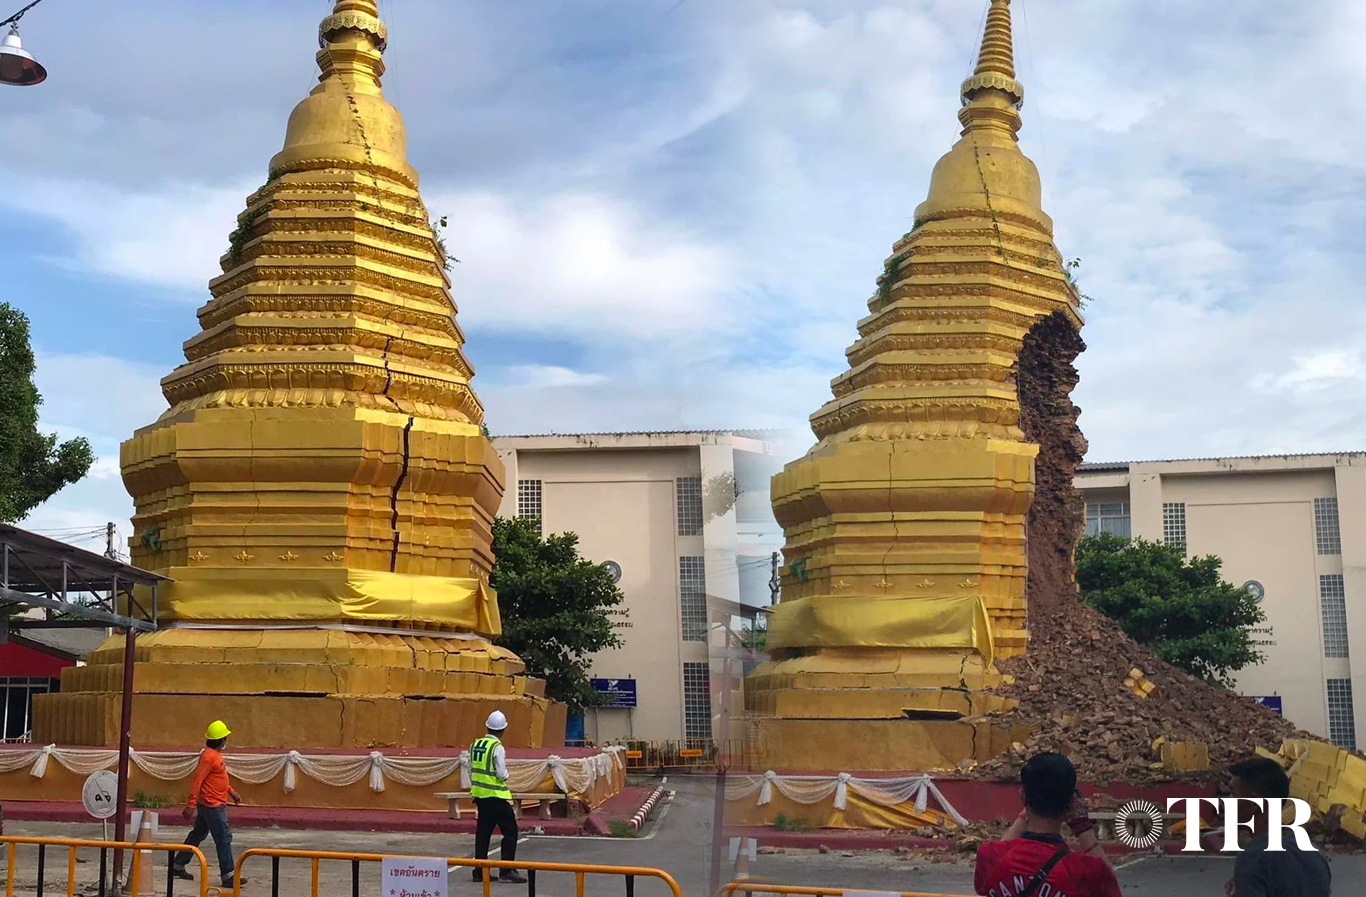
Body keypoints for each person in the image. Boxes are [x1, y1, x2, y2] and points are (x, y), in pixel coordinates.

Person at [975, 752, 1122, 897]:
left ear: (1022, 796)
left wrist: (1027, 808)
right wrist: (1082, 827)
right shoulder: (1086, 871)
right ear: (1071, 803)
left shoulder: (990, 856)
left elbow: (986, 880)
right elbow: (1111, 889)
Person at [1224, 757, 1331, 897]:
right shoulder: (1313, 852)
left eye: (1233, 794)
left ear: (1254, 804)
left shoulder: (1252, 858)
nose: (1225, 801)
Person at [172, 720, 246, 889]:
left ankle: (177, 865)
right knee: (224, 837)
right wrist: (190, 804)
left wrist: (231, 791)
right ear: (221, 741)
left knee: (197, 834)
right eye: (225, 738)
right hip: (212, 805)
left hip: (211, 804)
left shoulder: (213, 756)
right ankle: (228, 875)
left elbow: (216, 779)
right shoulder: (209, 757)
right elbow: (198, 781)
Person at [470, 710, 526, 884]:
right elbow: (501, 774)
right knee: (510, 831)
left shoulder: (476, 744)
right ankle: (507, 870)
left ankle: (479, 871)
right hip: (495, 795)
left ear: (487, 726)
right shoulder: (497, 747)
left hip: (480, 795)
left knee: (483, 833)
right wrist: (507, 775)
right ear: (502, 730)